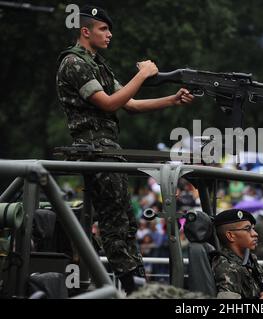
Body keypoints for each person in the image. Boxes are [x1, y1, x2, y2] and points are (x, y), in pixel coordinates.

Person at [55, 5, 194, 294]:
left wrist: (171, 100)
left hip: (106, 148)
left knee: (123, 219)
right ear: (85, 31)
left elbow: (128, 104)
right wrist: (143, 75)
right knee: (117, 220)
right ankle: (134, 286)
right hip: (95, 149)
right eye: (103, 29)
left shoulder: (97, 64)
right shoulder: (74, 62)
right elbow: (108, 103)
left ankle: (133, 283)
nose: (110, 34)